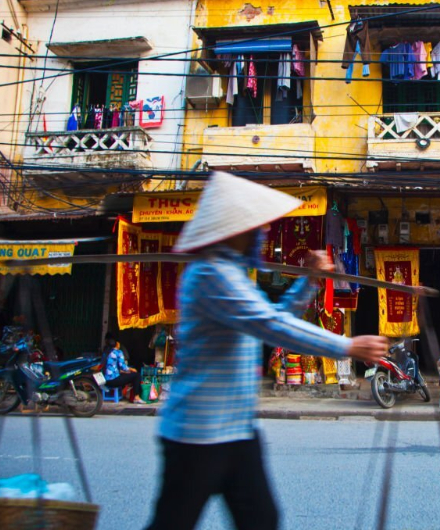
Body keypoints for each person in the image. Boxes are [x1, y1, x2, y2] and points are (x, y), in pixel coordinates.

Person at [146, 172, 388, 530]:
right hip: (196, 434)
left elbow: (273, 318)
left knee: (262, 521)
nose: (262, 235)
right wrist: (347, 345)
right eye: (255, 227)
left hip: (237, 432)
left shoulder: (234, 275)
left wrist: (308, 282)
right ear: (235, 230)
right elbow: (272, 326)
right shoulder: (211, 275)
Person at [102, 334, 144, 404]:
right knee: (136, 375)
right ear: (117, 344)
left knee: (129, 375)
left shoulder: (106, 352)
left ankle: (126, 394)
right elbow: (123, 367)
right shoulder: (118, 352)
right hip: (114, 381)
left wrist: (126, 371)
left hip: (106, 380)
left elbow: (113, 368)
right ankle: (136, 397)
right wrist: (131, 369)